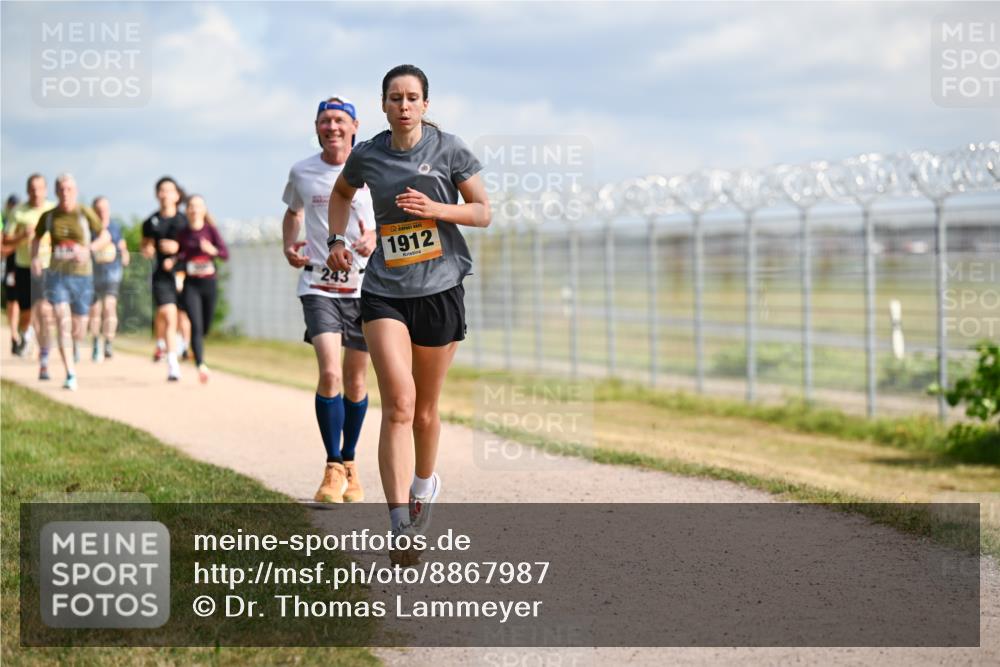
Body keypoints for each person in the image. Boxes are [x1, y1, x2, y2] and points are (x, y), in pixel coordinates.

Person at [326, 65, 491, 563]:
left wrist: (435, 210)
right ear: (383, 105)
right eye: (394, 97)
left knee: (424, 410)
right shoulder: (368, 154)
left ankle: (424, 485)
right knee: (398, 402)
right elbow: (341, 193)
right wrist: (336, 239)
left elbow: (482, 211)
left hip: (440, 288)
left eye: (412, 97)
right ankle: (400, 523)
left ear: (425, 104)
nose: (403, 105)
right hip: (384, 291)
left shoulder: (450, 149)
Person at [283, 95, 376, 504]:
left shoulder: (374, 168)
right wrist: (289, 244)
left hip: (366, 288)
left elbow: (392, 219)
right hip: (319, 285)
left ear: (355, 127)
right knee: (331, 374)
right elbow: (293, 212)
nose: (332, 127)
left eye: (340, 120)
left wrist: (376, 237)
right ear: (316, 127)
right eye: (325, 121)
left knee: (357, 381)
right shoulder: (303, 170)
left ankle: (351, 464)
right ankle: (332, 464)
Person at [30, 174, 109, 390]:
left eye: (69, 189)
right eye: (61, 189)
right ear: (56, 192)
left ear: (75, 190)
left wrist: (87, 249)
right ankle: (70, 373)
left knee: (79, 329)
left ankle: (75, 347)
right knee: (61, 320)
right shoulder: (49, 216)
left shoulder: (84, 213)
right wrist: (35, 257)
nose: (65, 193)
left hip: (83, 276)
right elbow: (36, 239)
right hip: (57, 276)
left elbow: (105, 237)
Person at [176, 194, 228, 383]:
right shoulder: (183, 233)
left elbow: (224, 254)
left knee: (205, 326)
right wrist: (178, 267)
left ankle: (195, 350)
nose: (194, 209)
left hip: (209, 284)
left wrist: (211, 250)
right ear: (187, 210)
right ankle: (200, 364)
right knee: (196, 326)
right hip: (191, 285)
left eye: (198, 206)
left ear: (204, 210)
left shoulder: (211, 231)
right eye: (190, 206)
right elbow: (178, 256)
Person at [141, 176, 188, 381]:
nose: (165, 194)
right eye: (161, 190)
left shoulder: (184, 221)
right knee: (168, 314)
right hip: (162, 276)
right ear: (157, 194)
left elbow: (193, 247)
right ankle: (172, 363)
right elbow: (145, 246)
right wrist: (147, 250)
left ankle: (168, 344)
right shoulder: (150, 222)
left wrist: (177, 250)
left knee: (181, 317)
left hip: (185, 273)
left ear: (177, 195)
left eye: (169, 190)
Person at [88, 196, 130, 361]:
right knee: (95, 309)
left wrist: (125, 254)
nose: (102, 212)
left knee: (109, 306)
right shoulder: (90, 227)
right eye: (99, 209)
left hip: (112, 272)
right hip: (93, 273)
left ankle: (109, 343)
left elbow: (121, 244)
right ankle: (96, 341)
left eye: (105, 209)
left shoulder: (114, 226)